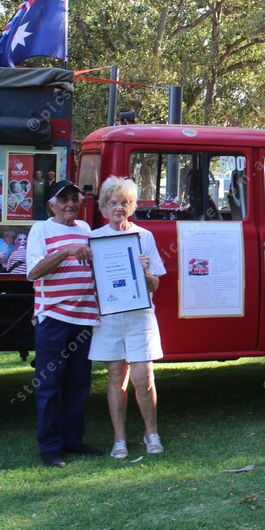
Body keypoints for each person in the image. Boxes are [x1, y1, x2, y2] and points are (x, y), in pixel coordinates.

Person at [88, 176, 166, 460]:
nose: (118, 208)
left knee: (143, 377)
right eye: (113, 203)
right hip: (110, 317)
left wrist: (145, 273)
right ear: (104, 207)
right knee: (116, 377)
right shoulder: (95, 238)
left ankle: (151, 433)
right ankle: (119, 439)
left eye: (124, 203)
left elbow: (155, 284)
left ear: (131, 206)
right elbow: (93, 282)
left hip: (140, 317)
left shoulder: (144, 236)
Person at [26, 180, 101, 468]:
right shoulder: (41, 230)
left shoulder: (86, 230)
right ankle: (50, 448)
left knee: (78, 384)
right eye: (63, 199)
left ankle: (73, 440)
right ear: (51, 205)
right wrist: (65, 251)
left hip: (84, 319)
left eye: (74, 198)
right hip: (54, 318)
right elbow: (33, 273)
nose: (70, 203)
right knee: (49, 384)